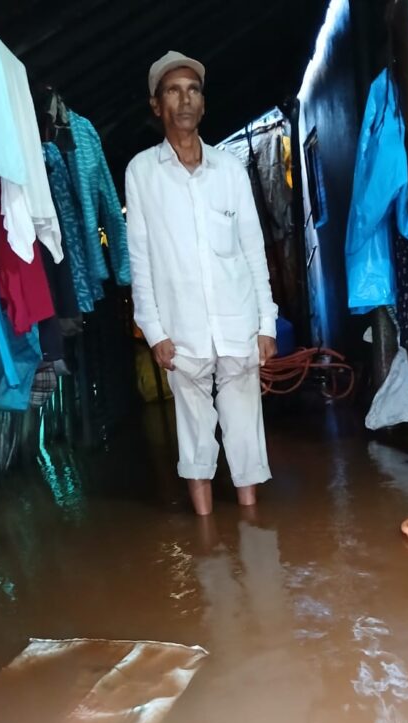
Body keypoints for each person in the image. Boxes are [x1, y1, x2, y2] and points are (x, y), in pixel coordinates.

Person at [125, 51, 278, 516]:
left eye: (193, 90)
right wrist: (154, 330)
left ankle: (251, 520)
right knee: (193, 428)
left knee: (245, 427)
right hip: (182, 327)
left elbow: (253, 249)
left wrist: (266, 323)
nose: (185, 99)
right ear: (157, 106)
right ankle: (206, 525)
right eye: (173, 91)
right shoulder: (142, 173)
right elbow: (140, 258)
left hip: (238, 320)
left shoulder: (229, 170)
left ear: (204, 103)